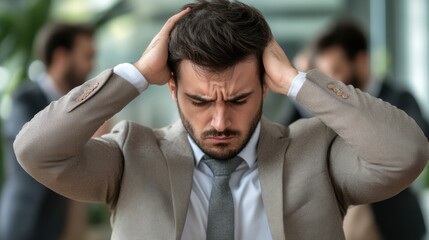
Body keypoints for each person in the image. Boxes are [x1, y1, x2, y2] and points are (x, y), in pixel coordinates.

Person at [13, 1, 428, 239]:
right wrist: (136, 74)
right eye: (198, 100)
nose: (219, 120)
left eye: (239, 99)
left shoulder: (316, 152)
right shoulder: (130, 155)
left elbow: (405, 153)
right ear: (172, 87)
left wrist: (297, 81)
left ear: (266, 85)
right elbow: (35, 151)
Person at [307, 21, 428, 240]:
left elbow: (417, 147)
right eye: (324, 75)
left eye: (335, 70)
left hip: (396, 226)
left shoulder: (400, 99)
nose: (330, 84)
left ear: (361, 61)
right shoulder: (324, 109)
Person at [0, 22, 95, 240]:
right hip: (25, 224)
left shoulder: (79, 106)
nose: (92, 65)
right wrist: (84, 133)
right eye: (87, 56)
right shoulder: (24, 99)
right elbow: (32, 148)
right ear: (62, 57)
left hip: (58, 226)